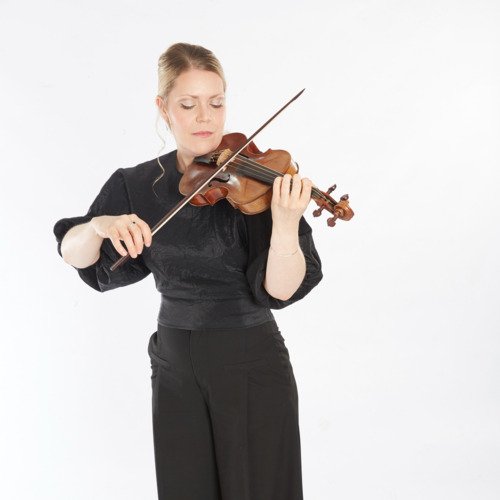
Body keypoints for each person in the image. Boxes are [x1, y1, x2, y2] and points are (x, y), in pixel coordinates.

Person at [54, 42, 322, 500]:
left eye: (216, 103)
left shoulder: (255, 181)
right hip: (174, 365)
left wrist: (283, 223)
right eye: (188, 104)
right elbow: (74, 253)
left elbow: (280, 290)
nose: (205, 118)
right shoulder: (137, 184)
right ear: (163, 108)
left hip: (251, 362)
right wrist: (100, 224)